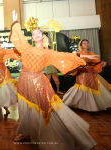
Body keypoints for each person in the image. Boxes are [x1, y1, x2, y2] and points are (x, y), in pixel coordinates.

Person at [9, 10, 99, 150]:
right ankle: (25, 132)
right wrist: (15, 23)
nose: (36, 34)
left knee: (42, 107)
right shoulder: (26, 48)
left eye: (39, 32)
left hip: (39, 82)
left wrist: (86, 57)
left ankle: (44, 132)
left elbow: (65, 56)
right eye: (34, 33)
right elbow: (18, 36)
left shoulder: (48, 52)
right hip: (23, 80)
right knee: (24, 108)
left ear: (43, 36)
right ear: (32, 38)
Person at [62, 39, 111, 111]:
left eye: (87, 43)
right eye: (84, 43)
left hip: (92, 74)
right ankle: (76, 103)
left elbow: (97, 61)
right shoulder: (78, 53)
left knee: (94, 88)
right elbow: (74, 63)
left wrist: (103, 63)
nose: (86, 44)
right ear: (81, 45)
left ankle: (91, 106)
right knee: (82, 89)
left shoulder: (92, 53)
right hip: (82, 74)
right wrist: (81, 65)